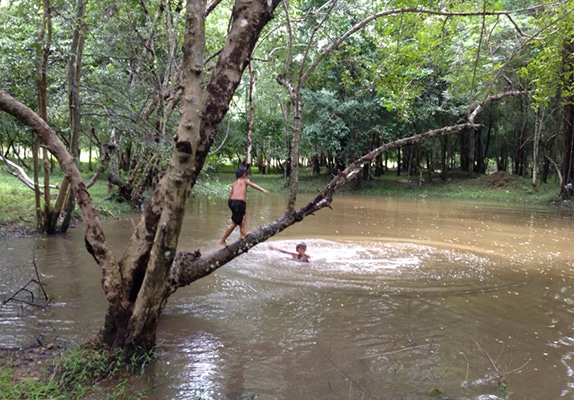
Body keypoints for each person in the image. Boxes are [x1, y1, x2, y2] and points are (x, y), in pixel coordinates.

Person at [219, 167, 270, 246]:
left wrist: (231, 203)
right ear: (244, 175)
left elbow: (230, 194)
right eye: (247, 174)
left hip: (231, 202)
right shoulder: (245, 180)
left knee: (243, 216)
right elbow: (253, 185)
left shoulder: (235, 183)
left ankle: (243, 233)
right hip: (239, 202)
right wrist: (263, 190)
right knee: (234, 223)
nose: (248, 176)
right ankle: (223, 240)